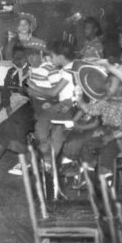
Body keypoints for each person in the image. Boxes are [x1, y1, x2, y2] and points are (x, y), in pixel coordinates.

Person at [0, 45, 43, 174]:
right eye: (15, 59)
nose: (18, 61)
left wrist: (24, 90)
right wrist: (7, 105)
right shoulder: (11, 71)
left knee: (14, 122)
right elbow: (6, 91)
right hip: (13, 102)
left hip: (28, 103)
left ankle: (24, 160)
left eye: (21, 58)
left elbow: (30, 91)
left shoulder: (31, 71)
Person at [64, 63, 122, 176]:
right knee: (86, 144)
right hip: (104, 129)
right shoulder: (105, 101)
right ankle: (88, 168)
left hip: (119, 136)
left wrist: (112, 136)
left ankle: (106, 174)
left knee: (107, 151)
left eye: (110, 83)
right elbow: (93, 110)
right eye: (106, 82)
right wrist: (81, 103)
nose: (106, 86)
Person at [28, 41, 79, 175]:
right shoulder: (71, 67)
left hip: (68, 105)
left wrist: (35, 87)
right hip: (66, 104)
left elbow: (53, 92)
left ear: (61, 57)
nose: (50, 59)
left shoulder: (68, 71)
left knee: (42, 121)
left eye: (52, 56)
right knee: (55, 130)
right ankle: (50, 161)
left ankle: (46, 154)